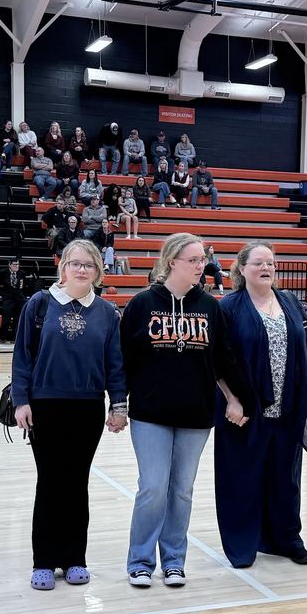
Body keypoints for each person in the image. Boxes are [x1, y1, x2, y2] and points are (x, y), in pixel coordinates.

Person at [121, 233, 249, 588]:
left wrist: (236, 398)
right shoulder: (141, 304)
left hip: (196, 414)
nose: (201, 266)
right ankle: (140, 561)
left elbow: (222, 359)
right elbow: (123, 361)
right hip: (150, 414)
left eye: (202, 260)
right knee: (153, 486)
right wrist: (119, 403)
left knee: (181, 490)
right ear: (172, 261)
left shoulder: (210, 306)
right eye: (193, 259)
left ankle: (174, 561)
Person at [11, 239, 127, 590]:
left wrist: (118, 405)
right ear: (63, 267)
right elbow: (22, 356)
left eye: (89, 265)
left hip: (87, 408)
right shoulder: (40, 303)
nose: (81, 270)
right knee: (49, 482)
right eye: (75, 263)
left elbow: (115, 365)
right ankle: (43, 561)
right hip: (44, 406)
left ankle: (75, 557)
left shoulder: (107, 312)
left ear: (98, 270)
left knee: (77, 483)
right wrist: (21, 401)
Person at [213, 241, 307, 568]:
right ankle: (242, 543)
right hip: (247, 411)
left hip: (287, 408)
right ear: (241, 269)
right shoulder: (229, 306)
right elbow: (218, 360)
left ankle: (285, 539)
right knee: (243, 479)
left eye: (271, 262)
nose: (266, 267)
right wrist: (232, 400)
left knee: (285, 479)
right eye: (258, 263)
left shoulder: (289, 301)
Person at [0, 257, 27, 343]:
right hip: (8, 298)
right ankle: (3, 338)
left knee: (18, 319)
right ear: (9, 265)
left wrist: (23, 296)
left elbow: (26, 286)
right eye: (15, 264)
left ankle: (15, 338)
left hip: (19, 299)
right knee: (6, 319)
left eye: (18, 264)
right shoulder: (2, 273)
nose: (17, 266)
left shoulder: (22, 273)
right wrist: (2, 293)